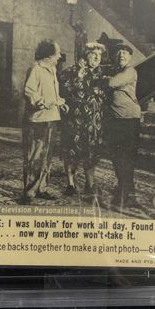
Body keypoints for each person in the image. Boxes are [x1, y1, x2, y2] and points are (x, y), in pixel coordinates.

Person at [20, 40, 68, 204]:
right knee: (35, 156)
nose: (59, 56)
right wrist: (43, 103)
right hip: (38, 119)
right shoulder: (36, 68)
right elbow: (29, 91)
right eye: (57, 53)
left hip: (52, 117)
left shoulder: (52, 69)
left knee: (47, 156)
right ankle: (29, 193)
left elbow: (52, 93)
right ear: (49, 55)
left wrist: (59, 102)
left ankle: (41, 188)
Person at [59, 42, 106, 197]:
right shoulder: (71, 71)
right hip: (74, 118)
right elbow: (64, 90)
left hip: (93, 120)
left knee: (91, 151)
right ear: (85, 55)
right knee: (71, 150)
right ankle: (70, 184)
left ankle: (89, 185)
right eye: (93, 54)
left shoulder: (101, 73)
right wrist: (79, 75)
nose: (97, 58)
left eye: (99, 55)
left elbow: (105, 93)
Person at [103, 44, 141, 208]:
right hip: (117, 120)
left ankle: (124, 194)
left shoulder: (129, 71)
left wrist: (103, 78)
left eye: (124, 53)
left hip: (127, 120)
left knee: (124, 157)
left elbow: (112, 83)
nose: (121, 56)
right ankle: (126, 190)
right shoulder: (119, 71)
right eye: (119, 53)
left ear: (130, 57)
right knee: (118, 156)